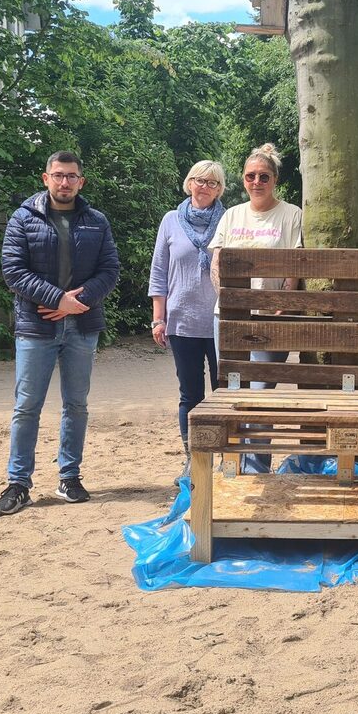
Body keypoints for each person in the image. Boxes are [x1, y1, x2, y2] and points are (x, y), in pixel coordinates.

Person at [0, 151, 120, 517]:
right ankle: (18, 484)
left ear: (81, 181)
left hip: (81, 325)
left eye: (72, 176)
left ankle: (69, 476)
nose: (65, 182)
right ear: (45, 178)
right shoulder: (23, 218)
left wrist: (77, 301)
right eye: (59, 175)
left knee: (76, 405)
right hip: (37, 327)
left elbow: (110, 269)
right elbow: (13, 271)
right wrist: (56, 299)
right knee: (26, 406)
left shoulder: (96, 221)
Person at [209, 143, 304, 473]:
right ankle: (232, 464)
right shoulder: (231, 214)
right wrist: (230, 300)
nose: (257, 181)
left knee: (261, 394)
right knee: (232, 390)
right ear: (243, 179)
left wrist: (284, 302)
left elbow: (295, 265)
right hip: (230, 316)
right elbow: (216, 262)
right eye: (251, 176)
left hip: (271, 317)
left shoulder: (292, 214)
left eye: (264, 176)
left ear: (275, 179)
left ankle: (257, 469)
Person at [148, 160, 226, 485]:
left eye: (212, 182)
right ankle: (192, 458)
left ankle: (226, 457)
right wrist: (158, 318)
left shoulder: (229, 220)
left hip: (222, 320)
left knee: (224, 393)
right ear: (188, 183)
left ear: (220, 189)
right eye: (199, 180)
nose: (204, 186)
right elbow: (159, 271)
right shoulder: (170, 221)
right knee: (189, 394)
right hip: (181, 321)